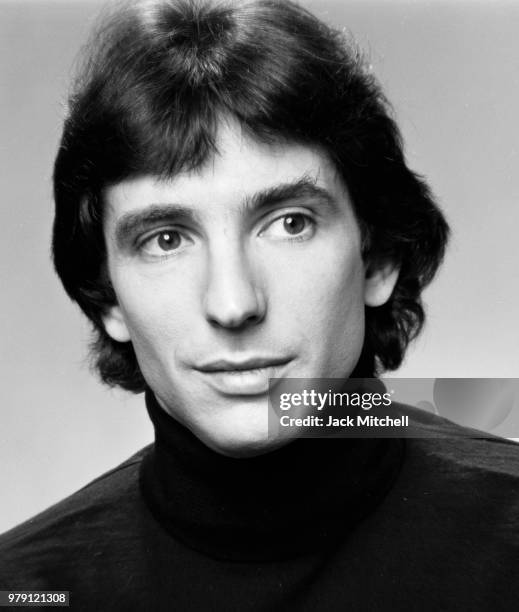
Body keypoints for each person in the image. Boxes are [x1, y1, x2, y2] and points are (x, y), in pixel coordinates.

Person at [1, 0, 518, 609]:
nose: (233, 303)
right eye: (165, 240)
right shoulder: (24, 589)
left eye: (290, 224)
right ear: (108, 297)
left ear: (379, 260)